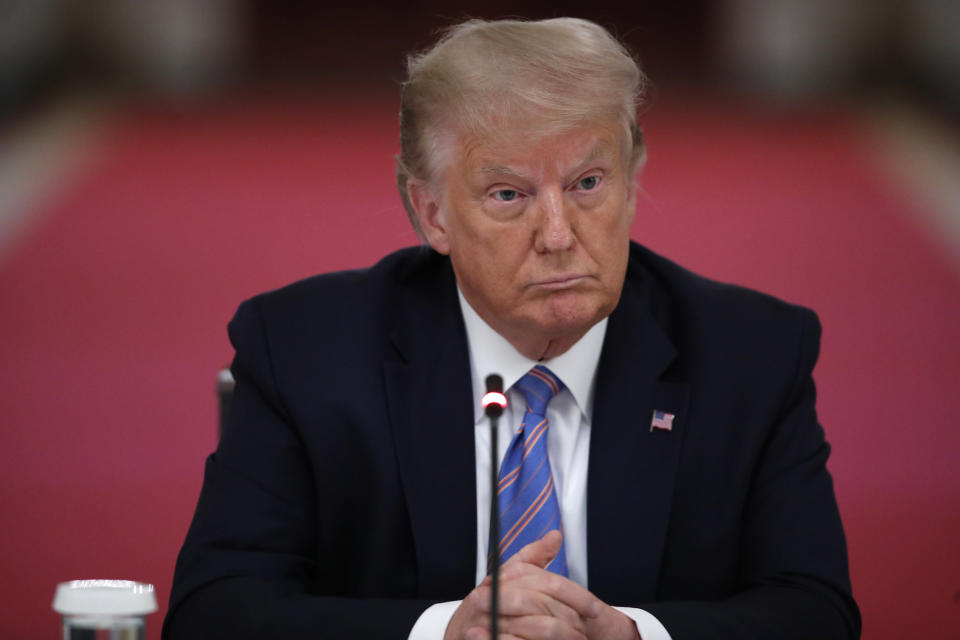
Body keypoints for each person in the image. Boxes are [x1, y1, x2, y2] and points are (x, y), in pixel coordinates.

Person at [163, 17, 860, 640]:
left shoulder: (752, 354)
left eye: (589, 183)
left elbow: (815, 612)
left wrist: (635, 636)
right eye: (508, 195)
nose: (558, 235)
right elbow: (214, 613)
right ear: (432, 214)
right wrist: (443, 633)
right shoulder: (306, 351)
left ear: (632, 178)